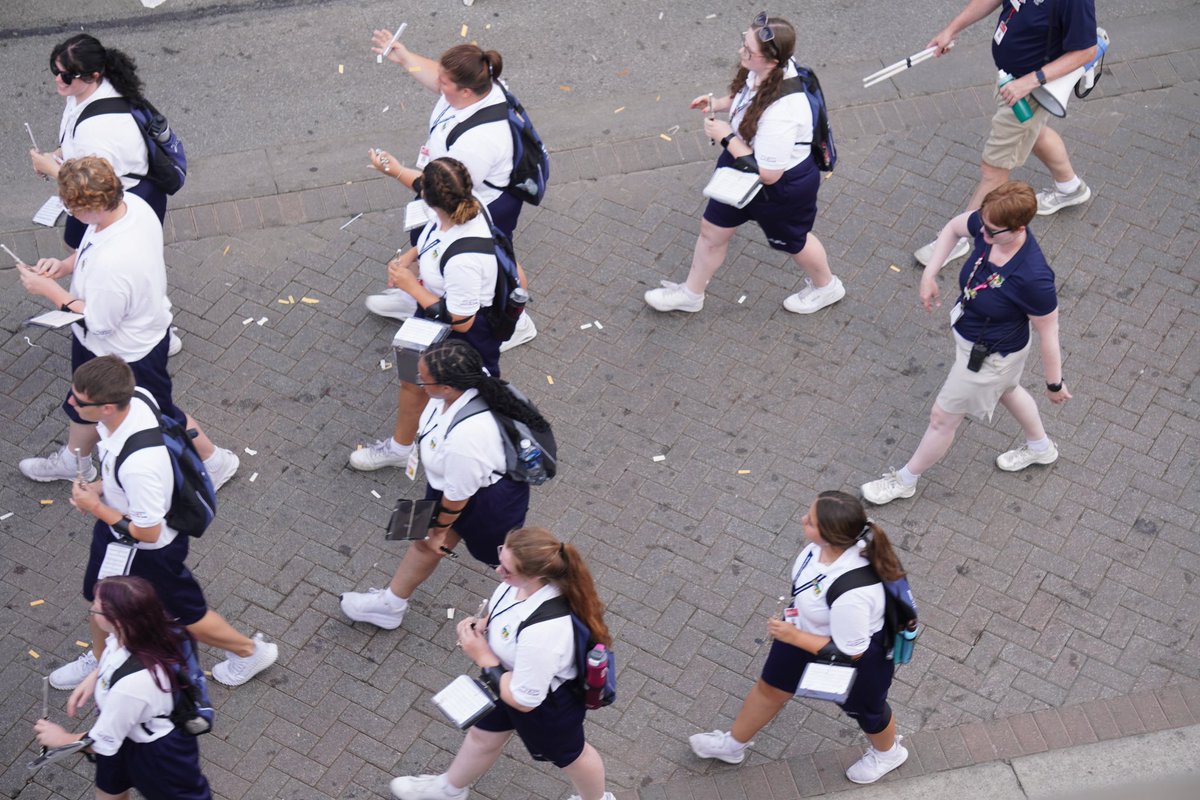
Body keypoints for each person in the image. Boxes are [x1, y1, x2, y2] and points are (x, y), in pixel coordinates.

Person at [45, 356, 277, 691]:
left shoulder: (140, 466)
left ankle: (249, 652)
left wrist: (95, 505)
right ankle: (100, 661)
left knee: (187, 613)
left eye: (79, 401)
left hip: (149, 551)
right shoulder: (136, 398)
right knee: (98, 598)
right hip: (117, 532)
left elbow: (148, 532)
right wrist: (102, 489)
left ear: (108, 407)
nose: (70, 403)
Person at [16, 157, 236, 486]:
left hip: (127, 352)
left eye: (73, 210)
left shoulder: (114, 265)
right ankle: (74, 461)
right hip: (113, 343)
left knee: (158, 416)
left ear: (93, 207)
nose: (72, 216)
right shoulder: (129, 204)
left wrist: (49, 290)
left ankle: (213, 461)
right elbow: (92, 244)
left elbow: (99, 321)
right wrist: (63, 267)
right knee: (83, 400)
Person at [863, 181, 1071, 505]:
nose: (982, 235)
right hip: (977, 339)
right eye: (983, 226)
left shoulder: (1034, 278)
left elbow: (1049, 332)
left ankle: (904, 481)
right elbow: (953, 227)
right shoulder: (992, 223)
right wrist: (929, 273)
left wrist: (1054, 384)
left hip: (991, 357)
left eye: (991, 231)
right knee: (1007, 390)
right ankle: (1040, 447)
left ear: (1018, 228)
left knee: (942, 418)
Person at [689, 492, 909, 785]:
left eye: (811, 521)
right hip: (801, 634)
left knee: (869, 712)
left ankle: (888, 754)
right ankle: (733, 745)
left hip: (854, 659)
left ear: (831, 535)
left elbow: (853, 651)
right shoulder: (817, 550)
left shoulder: (854, 594)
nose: (803, 520)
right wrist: (795, 630)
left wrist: (792, 634)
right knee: (770, 688)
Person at [389, 527, 615, 800]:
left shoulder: (544, 633)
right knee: (482, 735)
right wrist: (483, 626)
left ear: (533, 574)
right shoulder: (518, 585)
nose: (499, 571)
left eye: (507, 569)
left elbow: (524, 699)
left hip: (546, 706)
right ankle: (448, 791)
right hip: (504, 678)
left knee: (572, 755)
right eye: (501, 556)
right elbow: (508, 617)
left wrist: (482, 655)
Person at [644, 14, 844, 316]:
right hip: (742, 163)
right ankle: (690, 294)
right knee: (711, 230)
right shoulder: (767, 72)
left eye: (748, 51)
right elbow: (749, 96)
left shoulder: (785, 112)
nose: (741, 53)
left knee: (795, 241)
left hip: (780, 187)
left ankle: (827, 286)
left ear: (772, 61)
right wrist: (721, 104)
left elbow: (769, 174)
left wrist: (725, 136)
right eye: (743, 43)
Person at [341, 339, 543, 630]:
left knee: (507, 561)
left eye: (425, 378)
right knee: (423, 543)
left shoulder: (467, 437)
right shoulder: (460, 387)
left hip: (485, 504)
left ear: (447, 387)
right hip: (448, 487)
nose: (419, 381)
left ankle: (542, 602)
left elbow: (458, 496)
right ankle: (390, 605)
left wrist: (439, 531)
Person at [366, 32, 537, 350]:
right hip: (453, 191)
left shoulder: (478, 145)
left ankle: (515, 324)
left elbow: (442, 189)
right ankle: (417, 293)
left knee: (493, 262)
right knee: (430, 241)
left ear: (466, 91)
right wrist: (405, 57)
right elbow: (439, 77)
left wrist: (397, 171)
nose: (438, 86)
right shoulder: (476, 88)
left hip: (485, 203)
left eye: (445, 83)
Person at [350, 158, 508, 472]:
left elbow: (462, 320)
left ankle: (421, 448)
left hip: (459, 331)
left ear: (431, 201)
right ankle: (404, 444)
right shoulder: (461, 205)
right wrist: (408, 257)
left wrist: (410, 285)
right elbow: (430, 235)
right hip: (434, 312)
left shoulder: (463, 259)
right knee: (415, 382)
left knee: (430, 385)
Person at [913, 0, 1098, 266]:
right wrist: (951, 29)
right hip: (1011, 79)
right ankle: (1070, 188)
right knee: (1034, 132)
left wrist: (1030, 81)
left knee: (994, 170)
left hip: (1028, 90)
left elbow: (1085, 51)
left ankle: (956, 238)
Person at [33, 575, 212, 800]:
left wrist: (60, 739)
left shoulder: (132, 687)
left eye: (96, 609)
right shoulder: (145, 628)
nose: (92, 610)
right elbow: (117, 653)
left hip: (157, 754)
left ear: (117, 621)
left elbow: (99, 742)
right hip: (124, 728)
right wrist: (96, 676)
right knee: (110, 791)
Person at [30, 33, 169, 250]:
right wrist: (58, 154)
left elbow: (93, 187)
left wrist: (51, 169)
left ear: (93, 75)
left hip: (113, 201)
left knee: (84, 253)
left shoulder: (96, 134)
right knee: (72, 246)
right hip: (100, 186)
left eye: (66, 76)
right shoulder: (87, 90)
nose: (58, 79)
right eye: (55, 70)